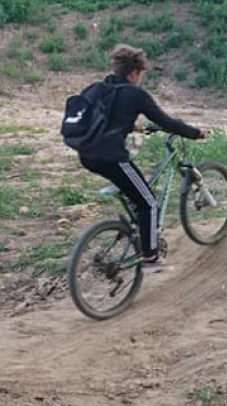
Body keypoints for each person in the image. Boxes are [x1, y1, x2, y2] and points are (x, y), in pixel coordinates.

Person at [78, 44, 207, 269]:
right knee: (148, 202)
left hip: (86, 155)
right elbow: (166, 122)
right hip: (111, 158)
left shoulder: (97, 88)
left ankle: (137, 226)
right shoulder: (135, 94)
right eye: (141, 75)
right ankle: (151, 256)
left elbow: (100, 117)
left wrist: (129, 125)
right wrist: (194, 133)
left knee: (135, 191)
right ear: (134, 73)